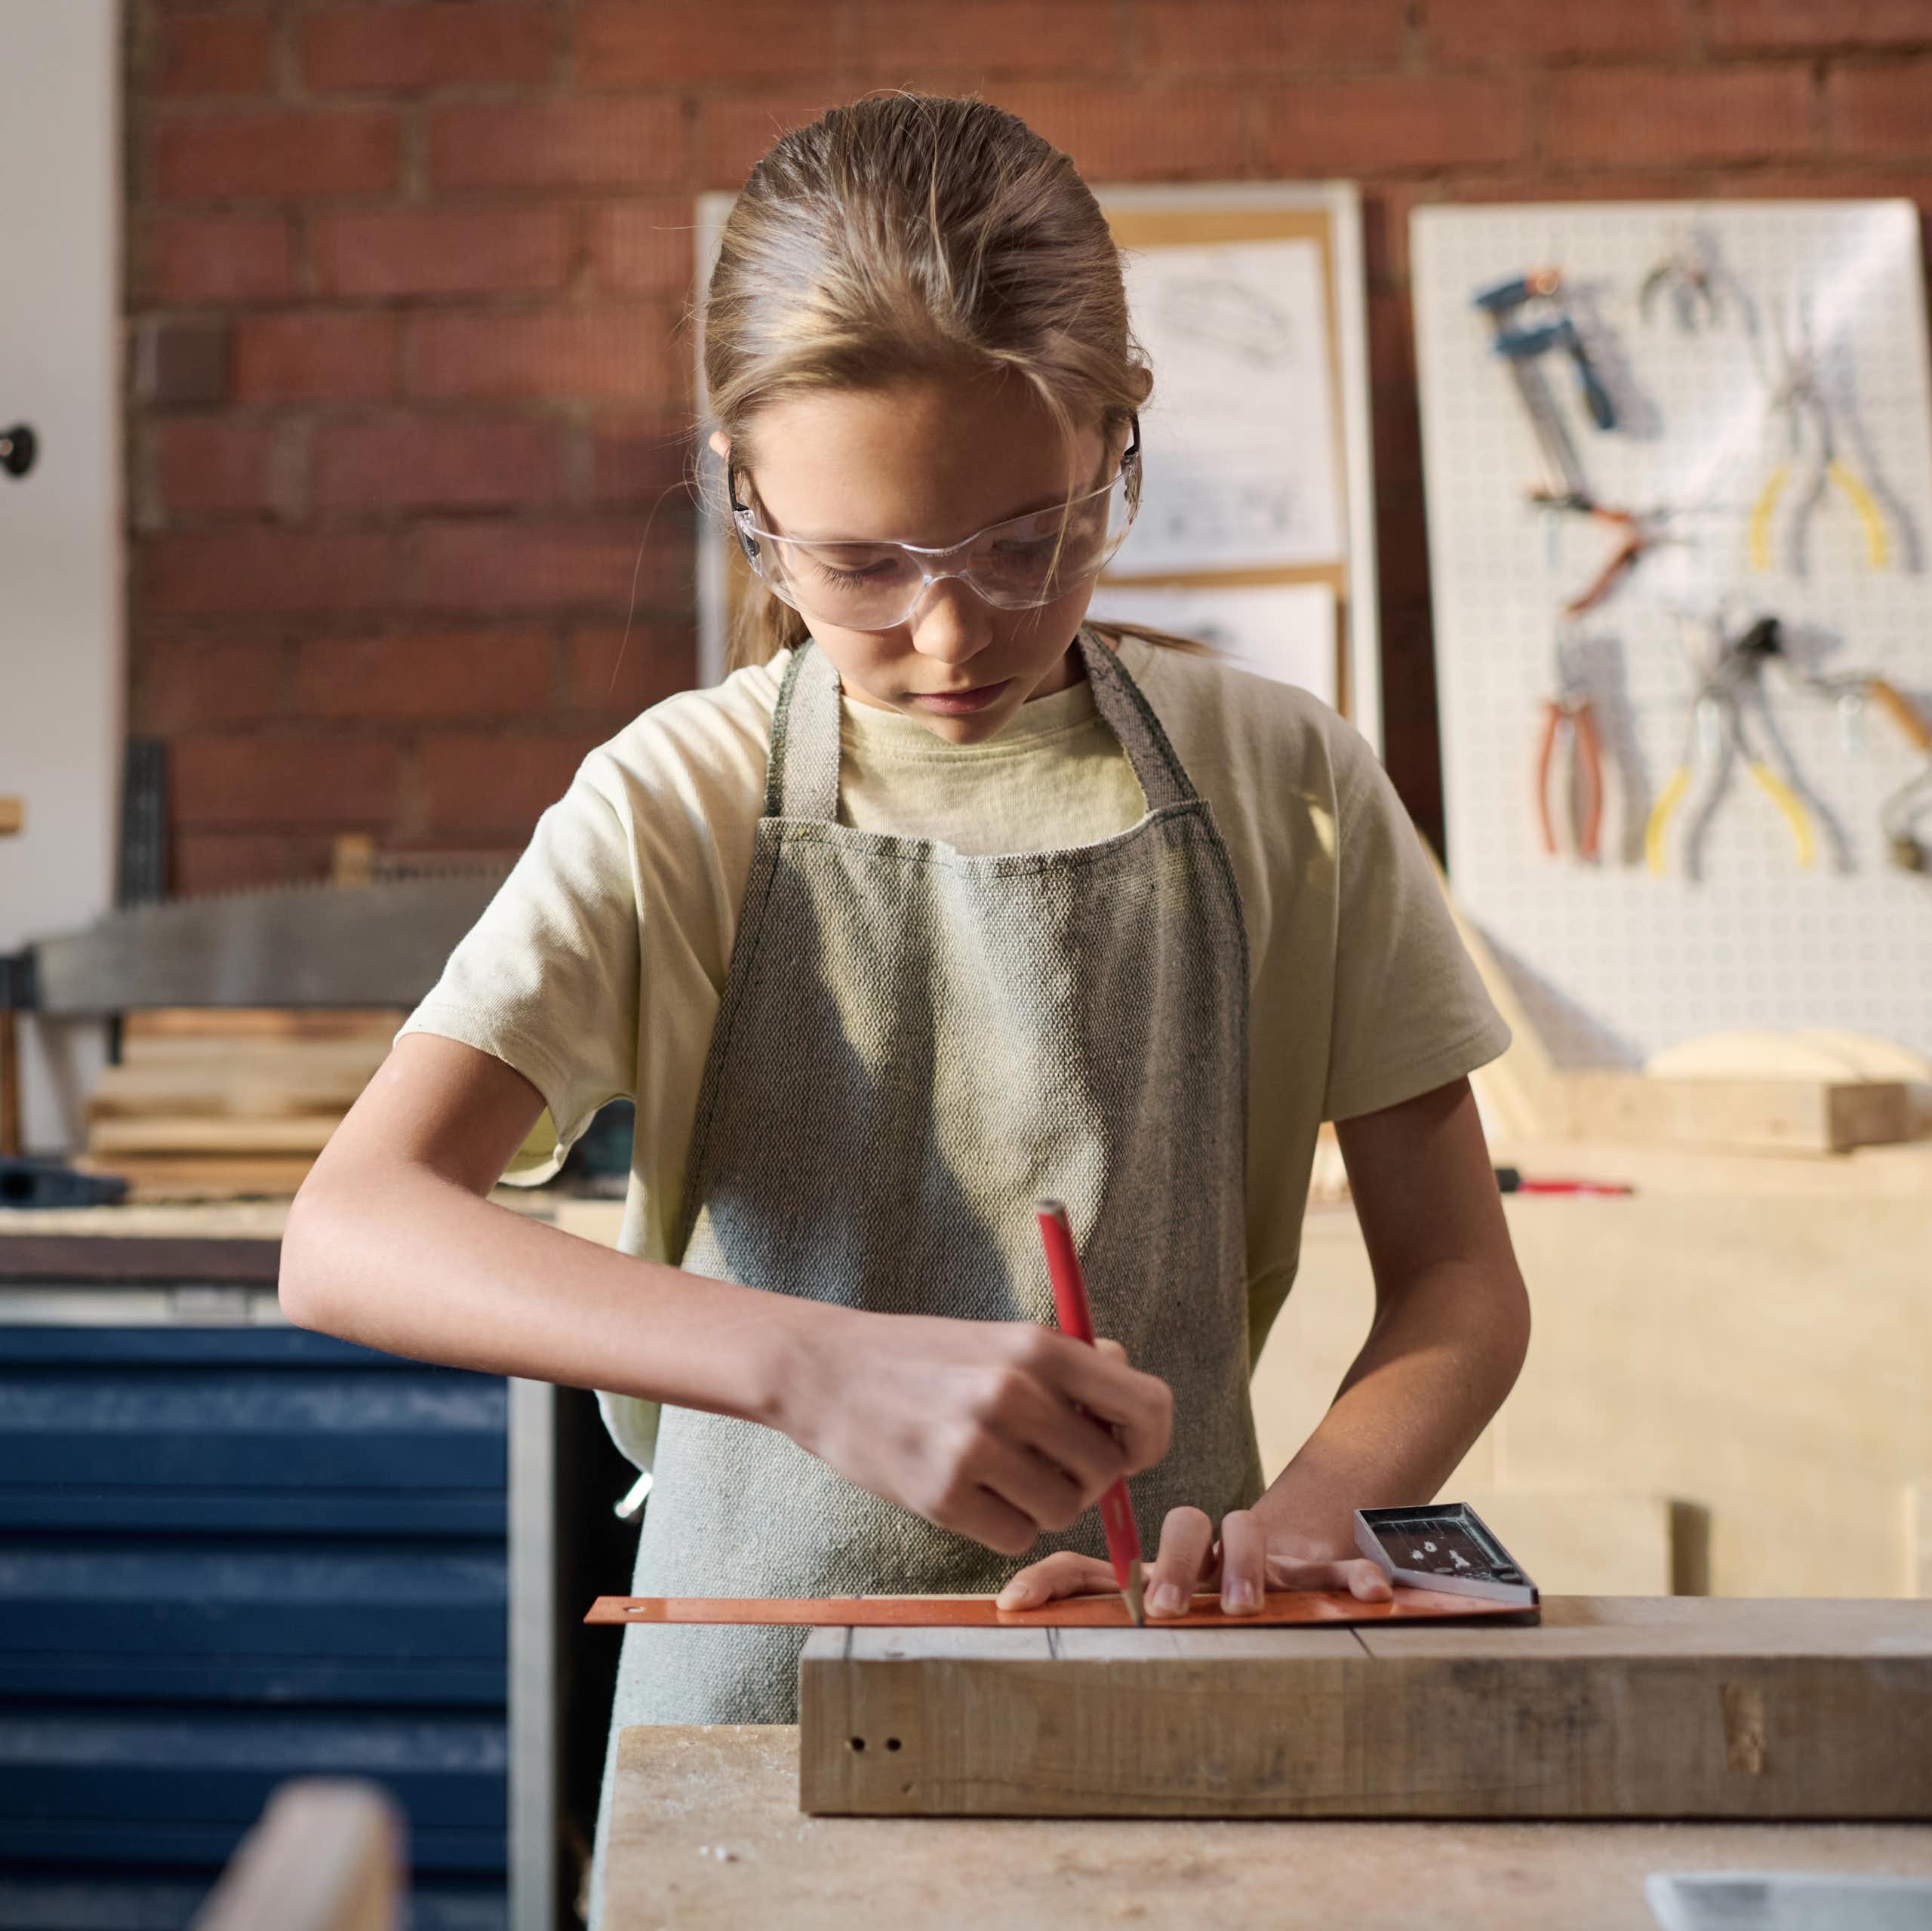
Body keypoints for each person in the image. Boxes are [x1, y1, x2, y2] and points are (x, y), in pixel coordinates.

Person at [278, 93, 1531, 1929]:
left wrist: (1313, 1517)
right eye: (860, 568)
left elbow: (1456, 1279)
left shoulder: (1288, 785)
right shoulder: (680, 799)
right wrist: (809, 1362)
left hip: (1167, 1692)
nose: (953, 636)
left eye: (1029, 541)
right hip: (755, 1740)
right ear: (744, 496)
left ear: (1119, 443)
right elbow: (348, 1229)